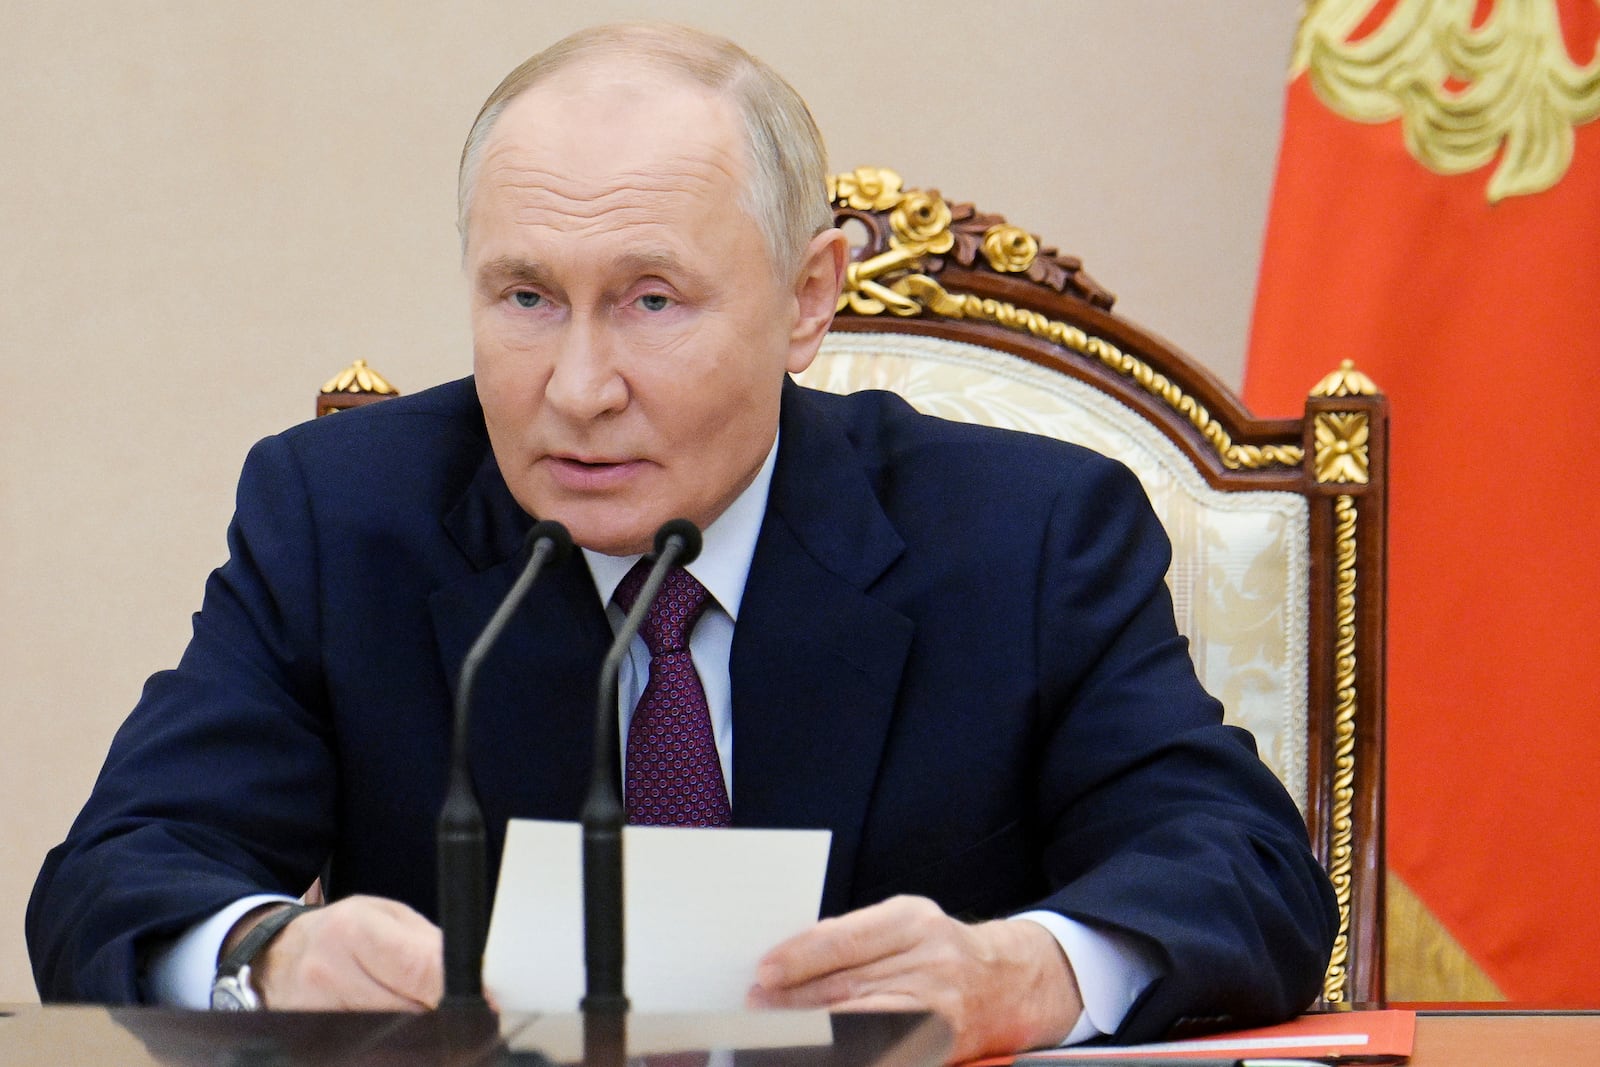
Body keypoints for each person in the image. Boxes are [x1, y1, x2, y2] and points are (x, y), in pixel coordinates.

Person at [27, 23, 1336, 1062]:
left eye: (652, 301)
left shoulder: (1029, 534)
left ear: (806, 297)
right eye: (528, 298)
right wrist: (272, 959)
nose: (581, 386)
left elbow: (1247, 874)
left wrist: (1029, 975)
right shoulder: (343, 518)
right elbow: (114, 881)